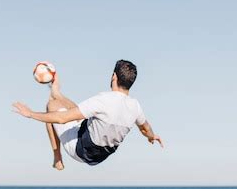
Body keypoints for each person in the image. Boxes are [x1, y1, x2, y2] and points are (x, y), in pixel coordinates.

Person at [12, 59, 163, 170]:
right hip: (100, 156)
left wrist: (30, 114)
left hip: (81, 150)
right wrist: (152, 136)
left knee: (51, 104)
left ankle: (57, 157)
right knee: (81, 112)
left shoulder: (103, 99)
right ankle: (57, 91)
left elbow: (61, 118)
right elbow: (145, 128)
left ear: (114, 76)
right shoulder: (135, 106)